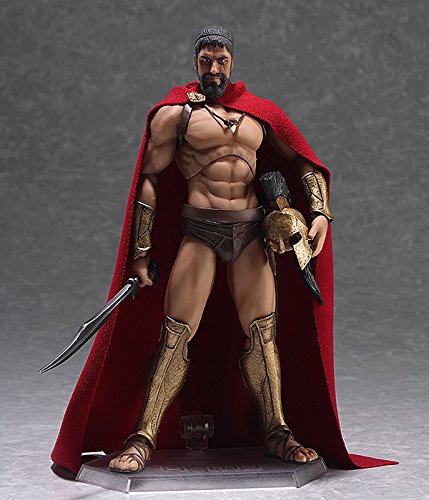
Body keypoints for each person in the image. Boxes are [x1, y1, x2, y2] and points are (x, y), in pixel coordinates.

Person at [51, 25, 397, 477]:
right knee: (176, 333)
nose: (213, 69)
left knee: (263, 334)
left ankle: (277, 432)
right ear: (195, 63)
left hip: (251, 232)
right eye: (206, 61)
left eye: (221, 60)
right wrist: (141, 252)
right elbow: (149, 180)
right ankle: (143, 435)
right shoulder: (175, 116)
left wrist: (319, 212)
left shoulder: (258, 115)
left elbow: (301, 160)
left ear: (231, 62)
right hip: (200, 231)